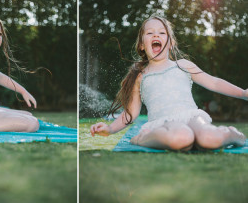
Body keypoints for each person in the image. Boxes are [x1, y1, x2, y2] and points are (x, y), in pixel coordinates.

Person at [90, 15, 247, 151]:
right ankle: (141, 138)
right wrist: (110, 129)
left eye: (162, 32)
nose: (156, 35)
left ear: (171, 43)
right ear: (142, 45)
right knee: (182, 137)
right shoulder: (140, 75)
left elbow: (213, 82)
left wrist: (243, 93)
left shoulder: (183, 65)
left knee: (209, 138)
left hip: (191, 117)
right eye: (150, 33)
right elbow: (131, 113)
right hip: (162, 126)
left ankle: (233, 134)